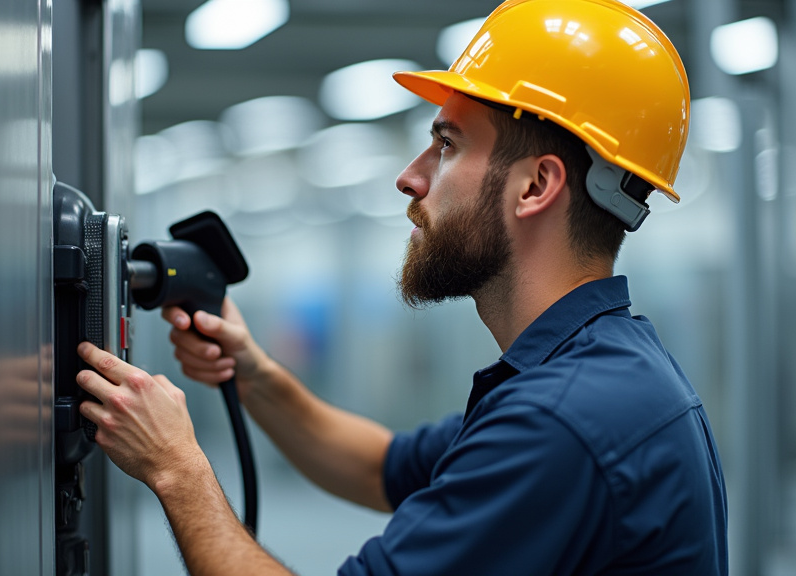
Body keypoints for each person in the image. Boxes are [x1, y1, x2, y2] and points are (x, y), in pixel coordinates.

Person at [75, 0, 728, 574]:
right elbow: (378, 466)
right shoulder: (592, 373)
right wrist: (253, 372)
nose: (410, 177)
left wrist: (177, 470)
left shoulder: (563, 421)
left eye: (446, 145)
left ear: (535, 186)